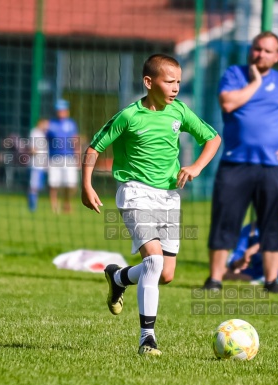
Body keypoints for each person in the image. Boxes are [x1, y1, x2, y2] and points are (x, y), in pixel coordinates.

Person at [82, 54, 221, 356]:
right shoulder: (129, 116)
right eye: (169, 81)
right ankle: (147, 338)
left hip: (169, 198)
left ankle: (118, 277)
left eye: (179, 82)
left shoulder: (180, 112)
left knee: (165, 274)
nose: (175, 88)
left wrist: (196, 167)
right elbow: (95, 147)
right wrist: (86, 184)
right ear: (149, 82)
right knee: (154, 261)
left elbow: (213, 138)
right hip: (134, 193)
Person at [203, 31, 278, 294]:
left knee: (273, 225)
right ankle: (214, 280)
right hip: (235, 164)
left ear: (276, 57)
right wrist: (255, 82)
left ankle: (271, 281)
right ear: (250, 50)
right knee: (224, 222)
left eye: (267, 51)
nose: (260, 54)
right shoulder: (234, 74)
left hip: (275, 167)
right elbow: (228, 104)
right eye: (257, 49)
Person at [224, 220, 278, 285]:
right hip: (260, 270)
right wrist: (241, 261)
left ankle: (270, 279)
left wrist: (256, 247)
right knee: (224, 272)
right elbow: (236, 255)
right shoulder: (249, 229)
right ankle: (264, 279)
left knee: (277, 251)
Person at [47, 99, 80, 214]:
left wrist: (78, 156)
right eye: (58, 110)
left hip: (68, 157)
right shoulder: (50, 124)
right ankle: (54, 206)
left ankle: (66, 203)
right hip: (54, 158)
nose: (60, 112)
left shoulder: (71, 124)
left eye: (62, 110)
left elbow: (75, 141)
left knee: (70, 184)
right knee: (53, 184)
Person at [27, 118, 49, 212]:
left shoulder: (45, 134)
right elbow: (32, 149)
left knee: (38, 186)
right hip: (35, 164)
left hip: (42, 165)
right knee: (33, 185)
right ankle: (32, 206)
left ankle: (33, 204)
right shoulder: (34, 132)